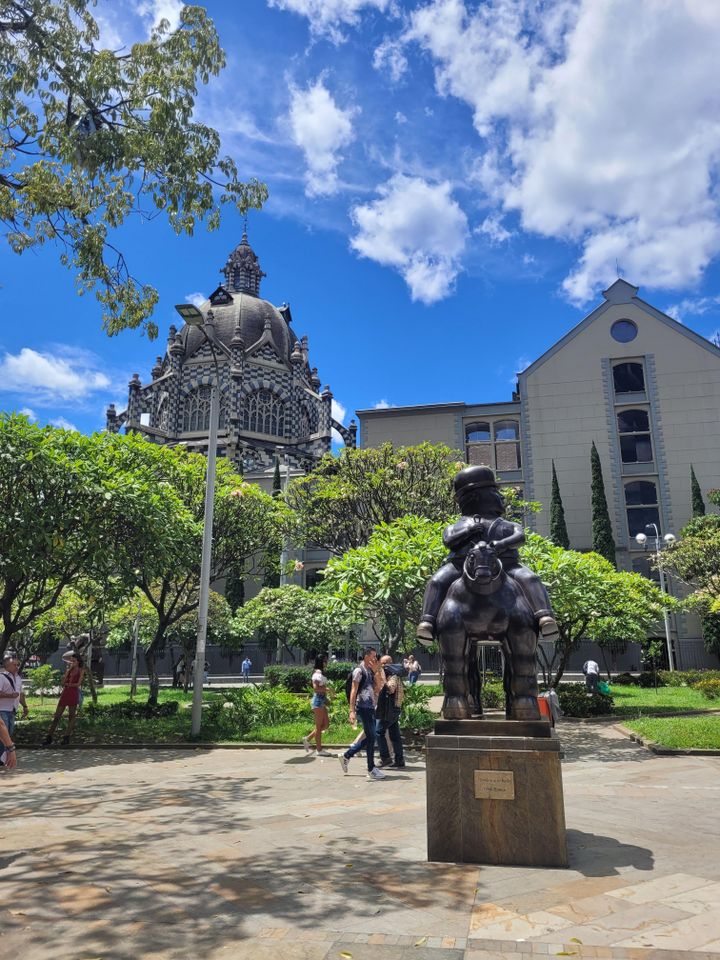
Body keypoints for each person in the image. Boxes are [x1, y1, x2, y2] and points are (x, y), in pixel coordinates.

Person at [416, 466, 558, 643]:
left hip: (506, 566)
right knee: (436, 581)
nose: (501, 497)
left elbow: (520, 536)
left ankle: (545, 617)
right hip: (460, 566)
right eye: (494, 492)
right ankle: (427, 621)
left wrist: (501, 544)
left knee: (531, 578)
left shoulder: (506, 524)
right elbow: (449, 540)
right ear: (475, 496)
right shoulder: (457, 525)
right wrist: (469, 531)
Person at [338, 648, 386, 781]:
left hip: (370, 706)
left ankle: (348, 756)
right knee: (372, 736)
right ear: (365, 656)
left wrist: (376, 671)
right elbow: (353, 691)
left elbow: (378, 688)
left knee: (371, 737)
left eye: (376, 657)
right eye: (372, 656)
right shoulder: (359, 671)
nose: (374, 659)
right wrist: (351, 710)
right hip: (363, 707)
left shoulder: (370, 671)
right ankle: (371, 768)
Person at [43, 653, 84, 746]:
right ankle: (49, 737)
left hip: (73, 693)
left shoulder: (81, 670)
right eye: (71, 661)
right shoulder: (69, 670)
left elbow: (78, 684)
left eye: (74, 661)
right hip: (65, 693)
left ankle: (66, 737)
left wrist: (68, 684)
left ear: (78, 661)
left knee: (71, 716)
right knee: (57, 716)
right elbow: (62, 682)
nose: (72, 663)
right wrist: (69, 670)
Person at [375, 655, 407, 768]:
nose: (383, 666)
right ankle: (399, 760)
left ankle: (385, 758)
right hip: (393, 709)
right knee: (394, 735)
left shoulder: (393, 675)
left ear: (390, 663)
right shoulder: (392, 674)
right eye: (382, 663)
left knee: (378, 732)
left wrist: (383, 679)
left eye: (385, 663)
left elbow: (391, 688)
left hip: (391, 709)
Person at [302, 655, 332, 756]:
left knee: (326, 725)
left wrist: (326, 696)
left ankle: (307, 739)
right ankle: (319, 750)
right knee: (319, 727)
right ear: (321, 662)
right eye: (325, 661)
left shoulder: (320, 673)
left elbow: (320, 687)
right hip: (318, 701)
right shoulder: (317, 673)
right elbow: (315, 688)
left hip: (321, 701)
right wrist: (327, 690)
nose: (326, 663)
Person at [0, 653, 28, 737]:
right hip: (2, 710)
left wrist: (25, 706)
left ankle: (6, 750)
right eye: (14, 665)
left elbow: (21, 694)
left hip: (12, 710)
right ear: (7, 666)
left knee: (9, 734)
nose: (17, 667)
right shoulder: (1, 677)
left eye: (17, 665)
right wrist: (11, 695)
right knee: (4, 736)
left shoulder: (18, 678)